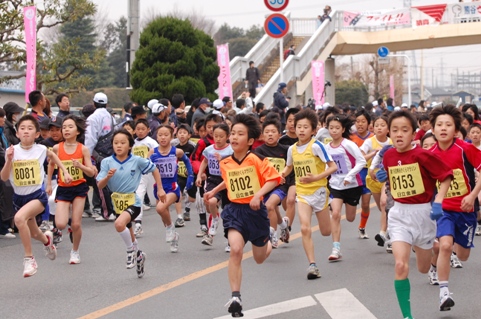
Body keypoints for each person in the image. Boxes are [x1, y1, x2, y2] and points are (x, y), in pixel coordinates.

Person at [377, 110, 453, 319]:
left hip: (423, 215)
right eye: (395, 130)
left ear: (413, 133)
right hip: (399, 214)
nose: (399, 134)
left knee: (421, 268)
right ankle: (407, 316)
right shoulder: (389, 155)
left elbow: (446, 176)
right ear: (390, 133)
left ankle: (434, 250)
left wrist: (438, 201)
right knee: (401, 265)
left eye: (404, 130)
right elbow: (391, 180)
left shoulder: (423, 155)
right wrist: (386, 179)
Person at [204, 114, 280, 317]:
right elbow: (228, 180)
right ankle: (236, 296)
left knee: (259, 258)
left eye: (240, 134)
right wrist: (214, 192)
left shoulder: (256, 159)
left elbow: (274, 179)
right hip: (234, 211)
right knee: (236, 250)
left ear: (251, 141)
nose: (234, 137)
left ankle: (270, 240)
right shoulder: (226, 162)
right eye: (233, 134)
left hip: (255, 213)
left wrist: (259, 195)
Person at [0, 115, 73, 277]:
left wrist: (65, 171)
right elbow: (4, 177)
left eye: (30, 128)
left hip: (37, 197)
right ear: (17, 133)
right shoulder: (12, 151)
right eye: (22, 128)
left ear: (37, 134)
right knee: (34, 233)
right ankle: (47, 241)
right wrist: (8, 161)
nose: (26, 131)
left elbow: (53, 156)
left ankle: (29, 259)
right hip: (19, 199)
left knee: (19, 219)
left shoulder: (40, 150)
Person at [428, 105, 481, 311]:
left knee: (463, 254)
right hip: (444, 210)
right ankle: (444, 293)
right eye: (439, 125)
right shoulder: (429, 154)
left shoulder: (465, 149)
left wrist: (472, 195)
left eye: (448, 125)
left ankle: (456, 253)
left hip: (466, 209)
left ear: (456, 129)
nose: (443, 128)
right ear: (432, 129)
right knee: (445, 246)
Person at [97, 129, 165, 278]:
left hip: (133, 201)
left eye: (122, 143)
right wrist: (107, 177)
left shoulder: (137, 160)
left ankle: (130, 251)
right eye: (115, 143)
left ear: (130, 146)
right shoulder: (106, 162)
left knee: (119, 224)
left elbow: (154, 170)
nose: (118, 146)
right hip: (117, 202)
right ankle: (139, 254)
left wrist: (160, 189)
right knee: (128, 232)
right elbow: (100, 186)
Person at [281, 109, 337, 279]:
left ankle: (330, 212)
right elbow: (289, 167)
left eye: (306, 127)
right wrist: (278, 176)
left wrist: (316, 177)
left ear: (313, 130)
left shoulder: (316, 146)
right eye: (299, 126)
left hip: (319, 192)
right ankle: (312, 265)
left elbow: (332, 166)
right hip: (302, 193)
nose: (301, 130)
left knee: (326, 231)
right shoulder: (292, 149)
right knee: (305, 228)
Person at [46, 115, 95, 264]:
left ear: (78, 131)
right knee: (60, 224)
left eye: (70, 127)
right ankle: (62, 230)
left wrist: (81, 166)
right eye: (64, 127)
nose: (66, 130)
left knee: (76, 224)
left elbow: (91, 172)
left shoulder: (83, 149)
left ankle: (75, 251)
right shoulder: (57, 148)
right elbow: (51, 165)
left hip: (79, 188)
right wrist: (49, 183)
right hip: (63, 188)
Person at [324, 115, 366, 261]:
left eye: (337, 128)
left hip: (352, 185)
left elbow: (361, 162)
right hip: (336, 185)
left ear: (343, 129)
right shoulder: (326, 147)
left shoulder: (348, 144)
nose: (334, 131)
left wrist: (350, 176)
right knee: (335, 214)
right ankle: (336, 249)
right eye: (331, 128)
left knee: (350, 218)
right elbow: (326, 166)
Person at [151, 125, 194, 253]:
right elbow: (144, 167)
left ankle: (170, 229)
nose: (163, 138)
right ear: (156, 136)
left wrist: (190, 176)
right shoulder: (153, 152)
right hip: (158, 187)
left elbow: (187, 162)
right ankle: (174, 236)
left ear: (171, 136)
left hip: (172, 187)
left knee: (160, 208)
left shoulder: (177, 152)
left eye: (166, 135)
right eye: (160, 135)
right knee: (163, 215)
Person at [255, 118, 292, 247]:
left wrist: (285, 177)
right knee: (273, 208)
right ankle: (283, 225)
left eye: (273, 131)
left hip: (281, 185)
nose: (270, 134)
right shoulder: (258, 151)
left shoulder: (287, 150)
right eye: (267, 132)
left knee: (270, 205)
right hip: (266, 186)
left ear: (279, 134)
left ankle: (273, 235)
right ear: (262, 134)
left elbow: (291, 167)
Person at [196, 123, 233, 246]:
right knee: (211, 201)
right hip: (213, 179)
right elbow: (204, 162)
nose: (218, 139)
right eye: (215, 136)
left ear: (227, 136)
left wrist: (222, 160)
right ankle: (215, 219)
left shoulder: (231, 150)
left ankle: (229, 240)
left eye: (221, 136)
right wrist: (199, 175)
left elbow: (234, 166)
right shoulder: (209, 149)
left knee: (228, 212)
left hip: (227, 181)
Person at [84, 92, 116, 221]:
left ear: (94, 103)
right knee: (110, 183)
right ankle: (113, 209)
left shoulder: (92, 118)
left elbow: (90, 139)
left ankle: (107, 212)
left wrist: (87, 156)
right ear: (106, 103)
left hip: (98, 155)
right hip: (111, 153)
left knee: (100, 184)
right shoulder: (110, 116)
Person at [360, 116, 392, 241]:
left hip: (387, 178)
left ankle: (385, 234)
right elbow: (361, 158)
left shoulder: (391, 143)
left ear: (388, 128)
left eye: (383, 125)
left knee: (385, 203)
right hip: (373, 178)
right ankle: (388, 230)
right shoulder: (369, 142)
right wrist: (374, 153)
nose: (379, 128)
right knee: (382, 208)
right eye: (377, 125)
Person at [129, 119, 159, 237]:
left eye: (143, 129)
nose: (140, 132)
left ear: (148, 130)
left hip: (150, 172)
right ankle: (138, 223)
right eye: (138, 129)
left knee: (155, 200)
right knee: (138, 195)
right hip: (138, 173)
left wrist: (150, 158)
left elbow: (157, 153)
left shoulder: (151, 142)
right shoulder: (133, 143)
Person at [171, 124, 196, 222]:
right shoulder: (175, 148)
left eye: (184, 133)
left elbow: (195, 160)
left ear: (189, 135)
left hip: (189, 174)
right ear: (176, 135)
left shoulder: (192, 146)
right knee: (178, 194)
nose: (182, 135)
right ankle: (180, 217)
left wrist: (191, 170)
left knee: (192, 198)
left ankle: (187, 209)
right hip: (179, 175)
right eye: (180, 133)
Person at [0, 108, 15, 239]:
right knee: (3, 197)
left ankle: (5, 225)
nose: (4, 119)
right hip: (2, 167)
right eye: (1, 117)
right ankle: (3, 228)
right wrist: (8, 156)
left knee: (5, 196)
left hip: (3, 166)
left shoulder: (2, 132)